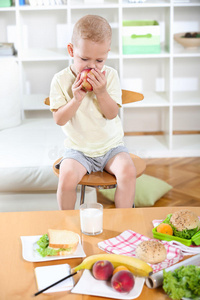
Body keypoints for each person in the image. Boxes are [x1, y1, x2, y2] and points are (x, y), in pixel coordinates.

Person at [50, 15, 136, 210]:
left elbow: (112, 114)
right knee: (66, 179)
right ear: (71, 50)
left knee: (128, 173)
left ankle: (124, 221)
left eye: (99, 60)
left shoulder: (110, 76)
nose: (92, 66)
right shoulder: (60, 80)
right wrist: (76, 99)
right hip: (78, 150)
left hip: (111, 147)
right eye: (84, 59)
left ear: (107, 53)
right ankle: (67, 222)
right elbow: (59, 119)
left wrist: (102, 92)